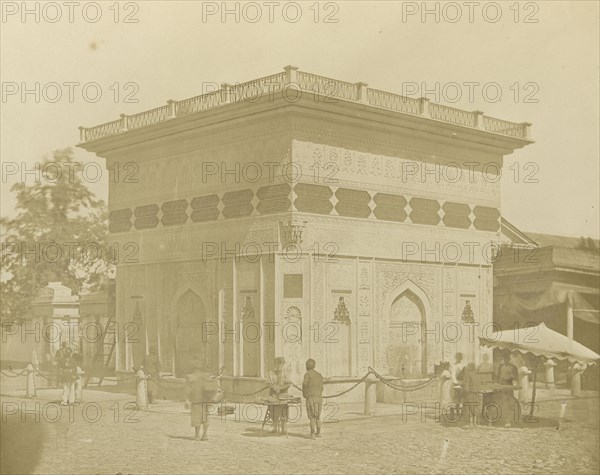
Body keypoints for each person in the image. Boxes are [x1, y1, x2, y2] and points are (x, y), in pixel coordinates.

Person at [185, 365, 219, 441]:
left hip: (196, 400)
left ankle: (197, 435)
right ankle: (205, 435)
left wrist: (187, 400)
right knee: (205, 418)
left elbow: (188, 389)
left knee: (196, 417)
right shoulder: (206, 376)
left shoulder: (190, 377)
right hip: (207, 400)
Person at [268, 357, 292, 434]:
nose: (278, 366)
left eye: (280, 364)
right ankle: (275, 428)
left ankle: (283, 429)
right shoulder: (271, 373)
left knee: (283, 412)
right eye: (276, 364)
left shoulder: (286, 374)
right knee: (273, 411)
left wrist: (281, 388)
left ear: (282, 364)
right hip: (273, 395)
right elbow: (269, 383)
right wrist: (274, 387)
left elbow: (288, 384)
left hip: (283, 395)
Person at [302, 359, 324, 439]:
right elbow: (322, 387)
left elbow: (304, 384)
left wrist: (305, 394)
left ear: (307, 366)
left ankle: (312, 434)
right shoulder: (319, 375)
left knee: (311, 417)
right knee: (318, 416)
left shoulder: (307, 374)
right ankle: (318, 433)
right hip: (319, 398)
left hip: (311, 397)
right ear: (314, 366)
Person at [463, 363, 481, 427]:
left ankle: (469, 423)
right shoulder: (478, 375)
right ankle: (475, 422)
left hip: (470, 392)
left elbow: (466, 385)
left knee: (468, 406)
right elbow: (479, 384)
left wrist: (465, 390)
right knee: (475, 406)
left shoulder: (469, 375)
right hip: (476, 393)